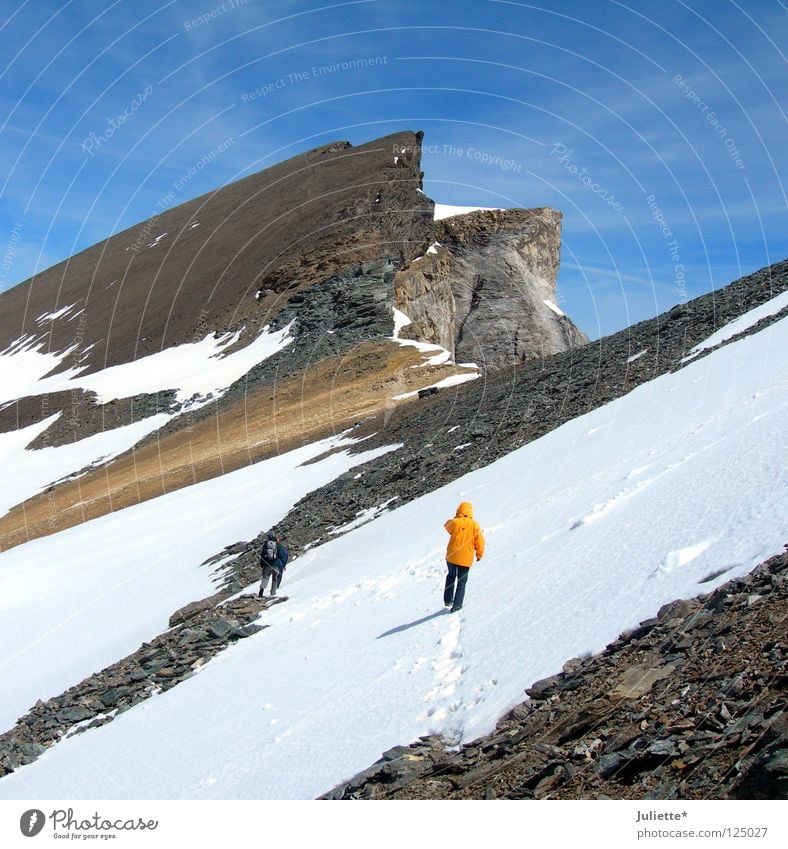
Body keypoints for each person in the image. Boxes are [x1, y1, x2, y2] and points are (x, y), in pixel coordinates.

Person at [443, 501, 484, 612]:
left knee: (451, 576)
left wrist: (457, 517)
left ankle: (447, 599)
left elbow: (446, 525)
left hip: (452, 556)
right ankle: (457, 604)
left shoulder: (455, 522)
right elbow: (480, 541)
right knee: (462, 581)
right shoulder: (474, 525)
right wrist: (479, 554)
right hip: (466, 557)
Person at [258, 533, 289, 598]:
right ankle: (272, 593)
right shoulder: (278, 545)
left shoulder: (265, 545)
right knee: (274, 579)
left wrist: (262, 564)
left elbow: (262, 555)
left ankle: (261, 591)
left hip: (266, 564)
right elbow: (282, 556)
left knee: (265, 578)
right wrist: (283, 565)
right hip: (276, 564)